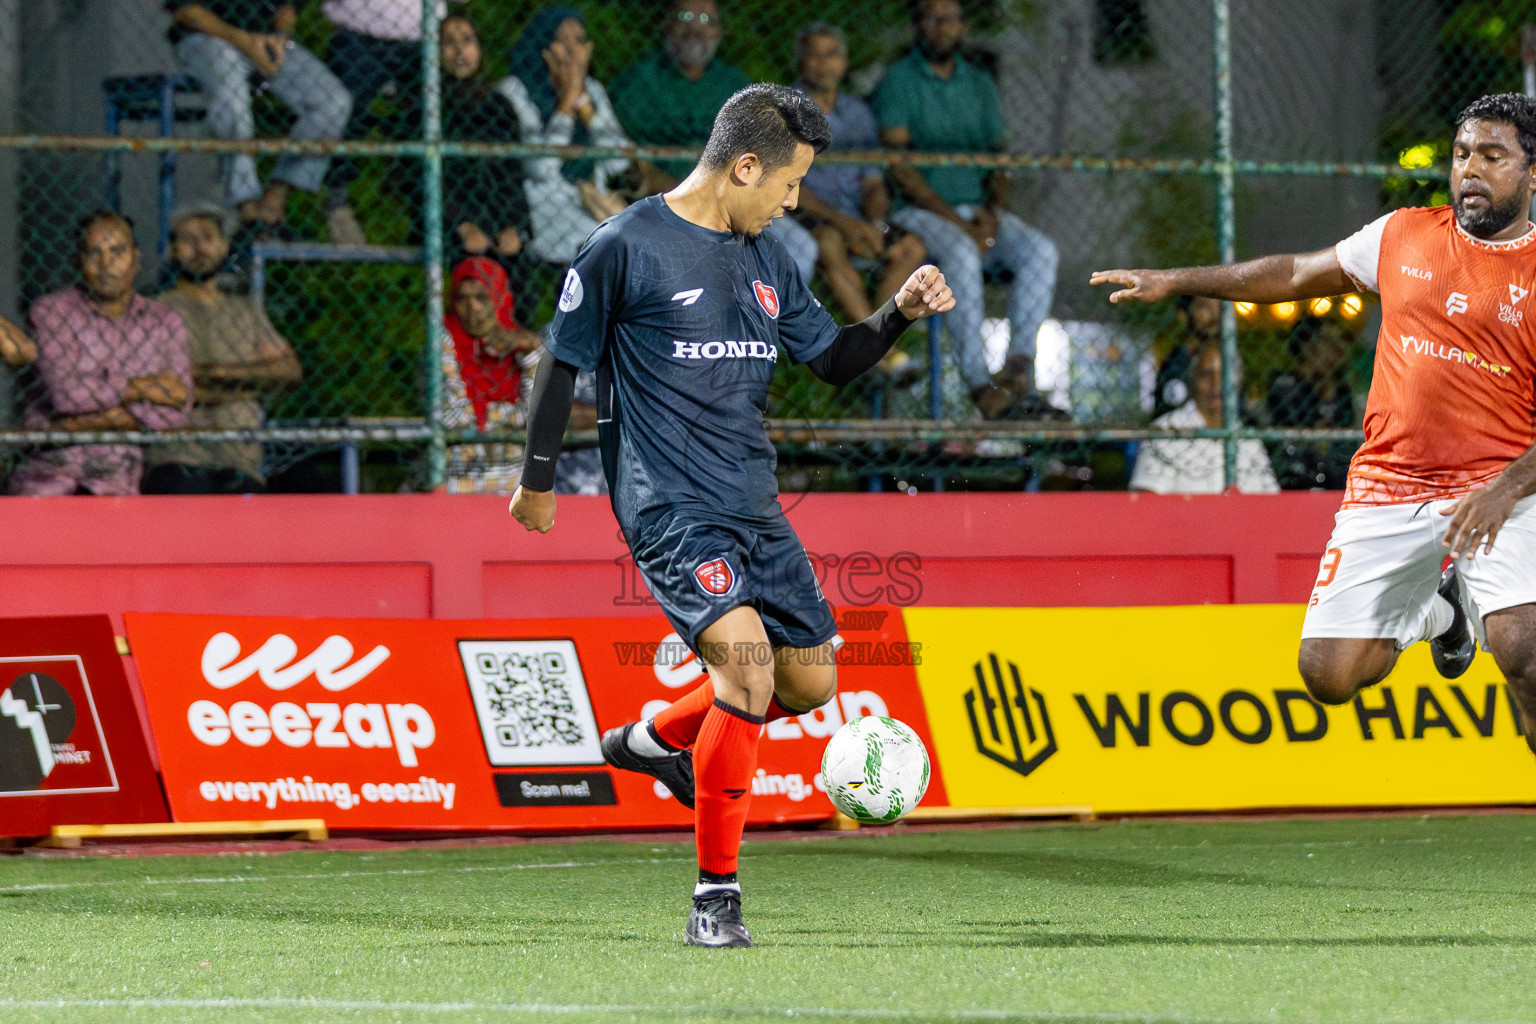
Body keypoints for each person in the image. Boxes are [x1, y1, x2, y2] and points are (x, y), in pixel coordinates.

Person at [507, 85, 954, 946]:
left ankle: (654, 741)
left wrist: (897, 313)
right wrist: (538, 481)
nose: (793, 201)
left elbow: (831, 360)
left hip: (755, 505)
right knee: (747, 674)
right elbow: (559, 362)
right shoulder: (626, 244)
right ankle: (715, 898)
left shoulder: (767, 258)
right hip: (669, 508)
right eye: (788, 183)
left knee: (811, 682)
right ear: (745, 167)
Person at [1092, 93, 1536, 746]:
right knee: (1328, 675)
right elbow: (1296, 273)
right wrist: (1177, 280)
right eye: (1462, 153)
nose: (1470, 168)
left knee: (1525, 651)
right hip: (1390, 482)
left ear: (1533, 173)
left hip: (1498, 488)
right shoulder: (1402, 234)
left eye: (1493, 156)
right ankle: (1442, 616)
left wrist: (1505, 491)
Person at [873, 0, 1061, 419]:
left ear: (963, 27)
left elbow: (1000, 160)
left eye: (951, 19)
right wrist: (959, 223)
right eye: (933, 18)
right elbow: (899, 167)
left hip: (978, 212)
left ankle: (1018, 365)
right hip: (917, 212)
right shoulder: (899, 80)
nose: (943, 27)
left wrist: (991, 213)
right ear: (917, 25)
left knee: (1041, 249)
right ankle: (979, 383)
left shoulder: (980, 82)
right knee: (959, 252)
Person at [610, 0, 819, 284]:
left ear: (718, 32)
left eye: (707, 20)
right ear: (667, 25)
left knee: (801, 248)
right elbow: (624, 159)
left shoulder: (732, 83)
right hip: (667, 201)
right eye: (686, 17)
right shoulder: (638, 81)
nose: (696, 29)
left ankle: (768, 311)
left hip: (736, 197)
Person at [9, 211, 191, 496]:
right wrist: (143, 390)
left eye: (117, 252)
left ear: (135, 259)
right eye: (94, 253)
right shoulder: (53, 311)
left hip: (117, 483)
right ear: (79, 261)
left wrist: (79, 421)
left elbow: (178, 409)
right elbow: (67, 395)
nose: (106, 264)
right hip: (48, 479)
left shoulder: (163, 321)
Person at [792, 22, 926, 379]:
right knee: (828, 241)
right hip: (811, 213)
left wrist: (873, 224)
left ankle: (871, 343)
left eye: (832, 54)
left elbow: (873, 182)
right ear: (801, 62)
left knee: (910, 247)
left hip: (856, 215)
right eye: (814, 55)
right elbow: (790, 187)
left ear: (844, 61)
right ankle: (882, 352)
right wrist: (847, 224)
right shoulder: (786, 109)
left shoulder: (858, 112)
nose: (824, 63)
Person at [148, 203, 302, 494]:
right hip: (179, 458)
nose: (199, 247)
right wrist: (249, 387)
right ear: (174, 249)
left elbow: (289, 369)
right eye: (188, 239)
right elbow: (160, 388)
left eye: (207, 237)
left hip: (240, 462)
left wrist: (219, 373)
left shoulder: (245, 310)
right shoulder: (156, 311)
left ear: (224, 246)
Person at [167, 2, 353, 240]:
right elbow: (185, 12)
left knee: (334, 102)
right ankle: (247, 208)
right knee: (232, 101)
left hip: (263, 42)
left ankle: (273, 203)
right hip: (206, 37)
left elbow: (287, 10)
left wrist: (281, 39)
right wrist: (245, 42)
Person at [319, 0, 465, 245]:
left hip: (421, 39)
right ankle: (336, 202)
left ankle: (429, 217)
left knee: (432, 123)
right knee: (345, 113)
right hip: (358, 33)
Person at [497, 7, 634, 265]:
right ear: (543, 47)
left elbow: (618, 163)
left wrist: (586, 109)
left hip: (593, 201)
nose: (572, 51)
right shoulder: (515, 90)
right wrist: (566, 102)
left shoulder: (592, 89)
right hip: (547, 205)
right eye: (561, 41)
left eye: (579, 41)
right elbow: (541, 169)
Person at [438, 13, 532, 282]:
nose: (459, 51)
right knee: (471, 251)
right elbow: (422, 176)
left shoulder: (497, 104)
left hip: (497, 207)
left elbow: (512, 170)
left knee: (514, 253)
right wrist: (461, 223)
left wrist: (512, 224)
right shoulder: (428, 104)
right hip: (452, 208)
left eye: (467, 40)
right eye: (449, 42)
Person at [1128, 342, 1279, 495]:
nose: (1216, 383)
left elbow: (1272, 497)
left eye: (1225, 373)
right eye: (1206, 373)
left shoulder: (1248, 439)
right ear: (1193, 379)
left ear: (1239, 381)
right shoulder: (1166, 431)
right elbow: (1145, 497)